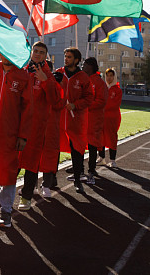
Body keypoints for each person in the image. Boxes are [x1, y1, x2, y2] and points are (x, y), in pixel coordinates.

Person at [0, 53, 32, 228]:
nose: (4, 54)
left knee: (8, 173)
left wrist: (23, 135)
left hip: (9, 134)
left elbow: (28, 109)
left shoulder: (24, 77)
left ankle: (6, 211)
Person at [18, 42, 60, 209]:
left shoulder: (48, 76)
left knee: (31, 162)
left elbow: (56, 102)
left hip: (36, 126)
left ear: (45, 56)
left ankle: (26, 197)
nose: (37, 54)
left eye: (41, 52)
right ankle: (3, 193)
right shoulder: (22, 70)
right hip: (18, 122)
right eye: (35, 51)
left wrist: (45, 81)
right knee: (12, 161)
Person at [54, 47, 93, 193]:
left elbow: (89, 98)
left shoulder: (83, 77)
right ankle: (51, 179)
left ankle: (78, 179)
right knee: (54, 149)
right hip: (59, 119)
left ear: (76, 60)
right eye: (65, 56)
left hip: (75, 120)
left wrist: (75, 105)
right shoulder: (59, 73)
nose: (66, 59)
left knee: (76, 150)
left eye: (69, 57)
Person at [82, 57, 107, 185]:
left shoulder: (99, 82)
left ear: (90, 66)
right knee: (80, 143)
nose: (82, 67)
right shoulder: (84, 79)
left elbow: (101, 101)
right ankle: (80, 170)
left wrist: (86, 105)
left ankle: (91, 170)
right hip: (83, 117)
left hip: (93, 118)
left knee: (92, 145)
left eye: (84, 64)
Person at [100, 68, 123, 168]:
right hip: (102, 117)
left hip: (112, 117)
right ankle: (101, 157)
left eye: (111, 76)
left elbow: (115, 104)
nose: (109, 78)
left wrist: (103, 106)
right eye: (107, 75)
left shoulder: (117, 90)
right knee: (101, 136)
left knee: (112, 137)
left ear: (114, 77)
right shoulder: (103, 88)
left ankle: (112, 160)